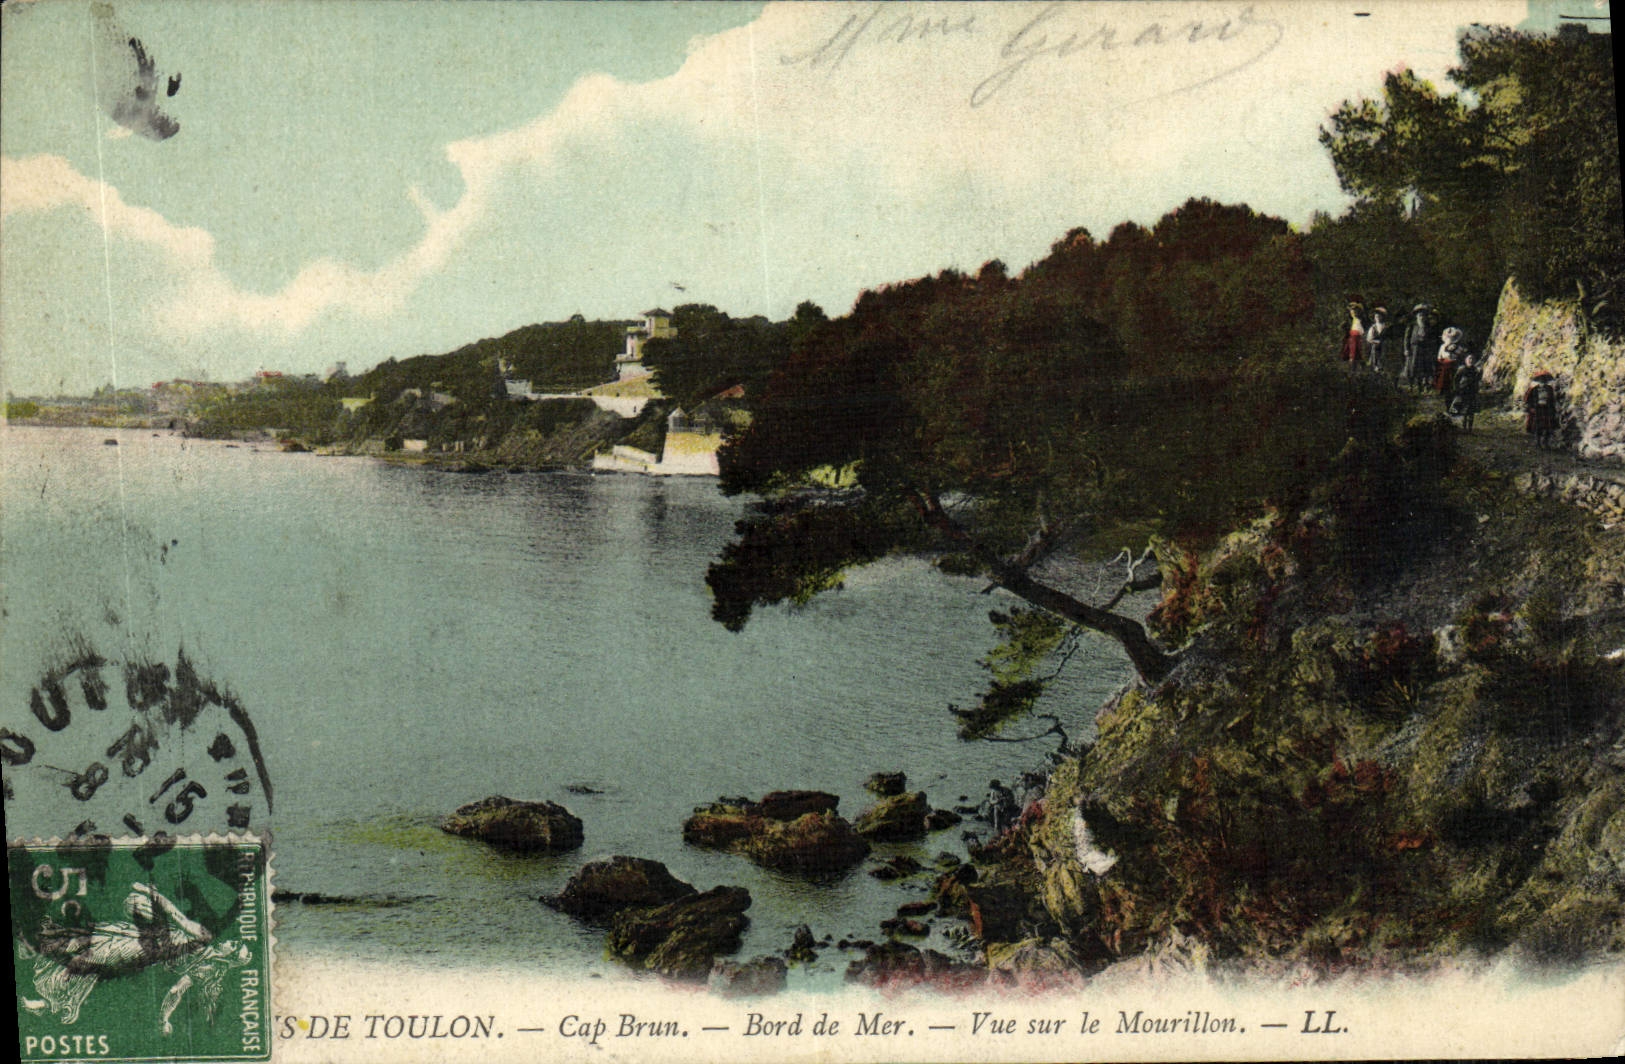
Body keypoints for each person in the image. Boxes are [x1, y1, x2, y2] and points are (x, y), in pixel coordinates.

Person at [1403, 304, 1435, 392]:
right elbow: (1406, 338)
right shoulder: (1412, 326)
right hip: (1414, 349)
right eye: (1420, 315)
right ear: (1416, 316)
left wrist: (1430, 349)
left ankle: (1422, 385)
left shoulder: (1428, 326)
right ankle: (1411, 385)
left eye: (1424, 315)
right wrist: (1406, 349)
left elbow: (1432, 339)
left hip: (1424, 349)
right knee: (1412, 367)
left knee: (1424, 368)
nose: (1422, 317)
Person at [1525, 370, 1559, 450]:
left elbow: (1552, 400)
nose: (1542, 381)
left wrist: (1553, 409)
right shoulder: (1534, 390)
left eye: (1544, 380)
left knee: (1548, 427)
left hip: (1547, 409)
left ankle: (1546, 442)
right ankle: (1538, 442)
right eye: (1541, 380)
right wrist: (1531, 408)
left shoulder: (1549, 389)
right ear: (1538, 380)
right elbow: (1528, 400)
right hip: (1538, 409)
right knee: (1538, 426)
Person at [1451, 354, 1482, 431]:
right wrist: (1457, 389)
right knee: (1464, 410)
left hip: (1472, 391)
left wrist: (1480, 372)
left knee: (1471, 410)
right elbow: (1456, 379)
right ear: (1465, 360)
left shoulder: (1476, 370)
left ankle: (1470, 428)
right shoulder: (1462, 369)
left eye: (1472, 359)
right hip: (1463, 391)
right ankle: (1464, 427)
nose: (1471, 361)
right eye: (1469, 359)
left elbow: (1478, 379)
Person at [1434, 326, 1466, 394]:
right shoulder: (1442, 346)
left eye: (1451, 338)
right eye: (1447, 338)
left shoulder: (1457, 347)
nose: (1449, 339)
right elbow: (1439, 356)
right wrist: (1440, 360)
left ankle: (1453, 388)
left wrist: (1455, 356)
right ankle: (1442, 388)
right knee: (1443, 373)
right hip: (1443, 363)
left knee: (1453, 375)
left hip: (1454, 363)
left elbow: (1460, 355)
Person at [1341, 300, 1366, 366]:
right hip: (1352, 339)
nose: (1353, 312)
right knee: (1351, 353)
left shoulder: (1361, 321)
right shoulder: (1350, 321)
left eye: (1355, 311)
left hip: (1358, 339)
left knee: (1358, 353)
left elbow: (1363, 330)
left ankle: (1358, 364)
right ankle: (1352, 364)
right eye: (1352, 311)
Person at [1365, 307, 1389, 374]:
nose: (1377, 318)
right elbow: (1369, 339)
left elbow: (1389, 337)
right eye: (1376, 316)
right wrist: (1375, 341)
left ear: (1382, 317)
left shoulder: (1386, 327)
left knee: (1384, 361)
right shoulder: (1373, 328)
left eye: (1379, 316)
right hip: (1375, 348)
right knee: (1375, 361)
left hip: (1384, 348)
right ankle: (1376, 370)